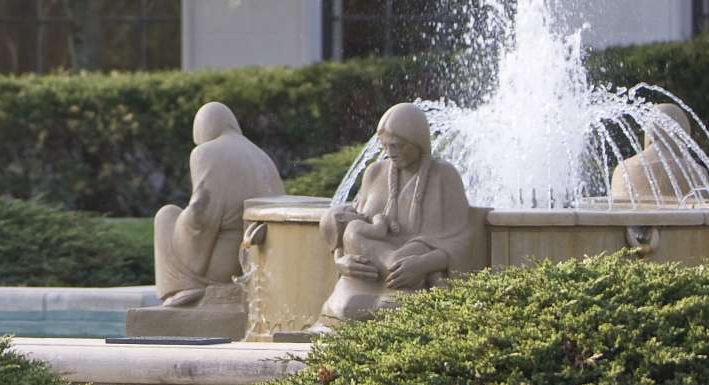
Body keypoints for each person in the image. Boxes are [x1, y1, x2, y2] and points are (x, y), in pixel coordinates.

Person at [318, 103, 479, 325]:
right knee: (343, 309)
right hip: (365, 279)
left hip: (415, 278)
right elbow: (346, 227)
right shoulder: (374, 173)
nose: (390, 152)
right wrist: (341, 262)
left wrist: (422, 265)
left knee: (410, 311)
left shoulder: (444, 176)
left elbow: (462, 240)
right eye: (385, 146)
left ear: (417, 142)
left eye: (398, 145)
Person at [152, 101, 282, 307]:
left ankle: (183, 287)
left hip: (222, 264)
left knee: (166, 215)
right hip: (253, 259)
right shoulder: (263, 157)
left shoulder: (206, 153)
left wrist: (196, 263)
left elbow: (200, 217)